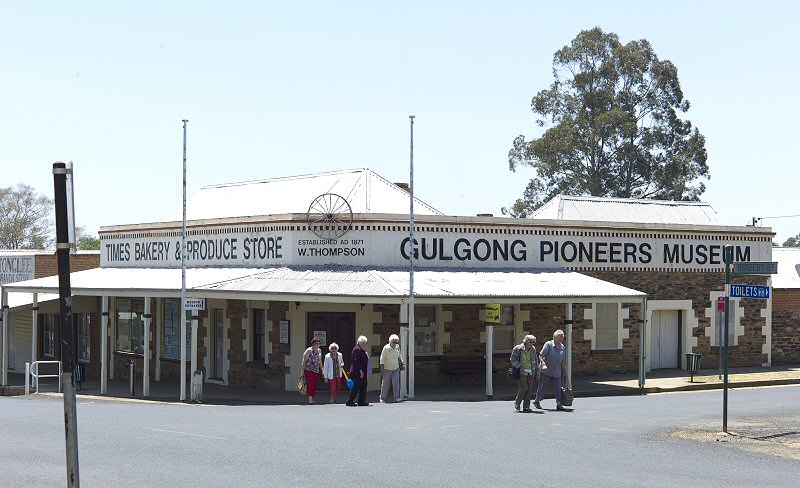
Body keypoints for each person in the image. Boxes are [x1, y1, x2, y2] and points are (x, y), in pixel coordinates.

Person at [534, 329, 567, 410]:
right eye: (559, 337)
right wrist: (543, 364)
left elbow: (562, 360)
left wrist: (564, 371)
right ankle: (537, 401)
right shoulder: (548, 344)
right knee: (542, 386)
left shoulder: (562, 347)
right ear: (554, 337)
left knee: (558, 387)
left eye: (562, 337)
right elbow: (541, 355)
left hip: (557, 371)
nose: (561, 339)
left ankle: (559, 403)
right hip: (547, 370)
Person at [510, 334, 539, 413]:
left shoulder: (533, 349)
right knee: (524, 388)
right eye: (530, 342)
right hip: (521, 372)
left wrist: (537, 371)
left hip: (531, 372)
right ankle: (517, 402)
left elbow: (536, 360)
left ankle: (526, 407)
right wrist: (520, 367)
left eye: (533, 342)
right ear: (525, 341)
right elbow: (513, 359)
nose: (532, 344)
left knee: (529, 390)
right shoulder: (518, 348)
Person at [379, 334, 404, 403]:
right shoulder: (386, 348)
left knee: (396, 383)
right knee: (385, 384)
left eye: (396, 342)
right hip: (387, 368)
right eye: (393, 342)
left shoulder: (397, 347)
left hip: (396, 368)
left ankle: (397, 397)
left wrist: (402, 363)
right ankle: (382, 397)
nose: (395, 344)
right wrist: (382, 368)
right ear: (390, 341)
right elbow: (382, 358)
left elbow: (399, 355)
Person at [346, 335, 369, 407]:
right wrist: (360, 371)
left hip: (363, 371)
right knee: (356, 387)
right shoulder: (357, 350)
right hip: (357, 372)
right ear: (361, 343)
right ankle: (350, 401)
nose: (365, 345)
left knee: (363, 386)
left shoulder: (361, 350)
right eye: (364, 343)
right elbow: (356, 361)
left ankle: (361, 401)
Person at [301, 338, 323, 405]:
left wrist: (322, 369)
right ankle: (310, 399)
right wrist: (302, 371)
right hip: (308, 369)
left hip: (316, 370)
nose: (318, 345)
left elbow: (319, 361)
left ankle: (312, 398)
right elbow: (304, 361)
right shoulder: (308, 351)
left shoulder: (319, 351)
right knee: (311, 383)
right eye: (316, 343)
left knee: (314, 384)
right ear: (313, 344)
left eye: (319, 343)